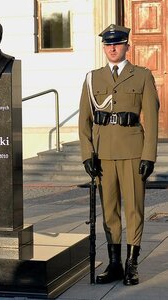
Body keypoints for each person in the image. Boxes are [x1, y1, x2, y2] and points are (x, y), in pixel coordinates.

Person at [79, 24, 159, 286]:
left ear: (127, 46)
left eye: (118, 43)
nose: (112, 48)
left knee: (134, 208)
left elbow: (152, 118)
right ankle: (114, 264)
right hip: (103, 154)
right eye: (108, 44)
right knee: (109, 210)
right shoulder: (93, 78)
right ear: (104, 47)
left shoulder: (143, 76)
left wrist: (149, 156)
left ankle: (131, 264)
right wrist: (87, 154)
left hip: (133, 151)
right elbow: (84, 121)